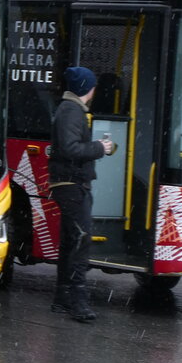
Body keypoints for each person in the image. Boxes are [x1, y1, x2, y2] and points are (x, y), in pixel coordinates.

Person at [49, 66, 115, 323]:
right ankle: (78, 302)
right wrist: (100, 147)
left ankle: (62, 298)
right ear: (88, 88)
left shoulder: (70, 110)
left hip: (71, 184)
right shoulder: (71, 111)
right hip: (72, 185)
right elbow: (70, 148)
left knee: (71, 241)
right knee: (80, 240)